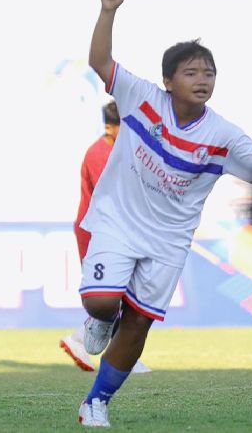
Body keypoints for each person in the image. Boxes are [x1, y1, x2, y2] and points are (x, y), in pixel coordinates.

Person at [75, 0, 252, 427]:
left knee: (139, 324)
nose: (203, 79)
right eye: (192, 71)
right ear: (167, 80)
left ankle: (96, 401)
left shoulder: (223, 134)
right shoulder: (140, 97)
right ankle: (102, 319)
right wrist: (108, 10)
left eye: (210, 72)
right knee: (103, 303)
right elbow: (100, 60)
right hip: (119, 223)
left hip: (168, 241)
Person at [59, 103, 152, 374]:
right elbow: (115, 195)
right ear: (110, 126)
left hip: (119, 230)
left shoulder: (125, 150)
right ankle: (90, 343)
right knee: (111, 291)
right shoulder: (99, 153)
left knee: (123, 291)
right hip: (98, 231)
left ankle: (103, 348)